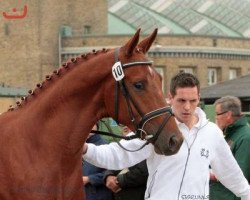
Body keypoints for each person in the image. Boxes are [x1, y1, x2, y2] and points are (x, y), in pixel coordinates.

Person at [83, 72, 250, 200]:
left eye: (192, 101)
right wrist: (86, 149)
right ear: (170, 98)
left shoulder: (212, 132)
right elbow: (118, 154)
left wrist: (246, 195)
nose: (187, 107)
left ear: (199, 98)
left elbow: (230, 172)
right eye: (181, 100)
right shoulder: (155, 129)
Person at [210, 96, 250, 200]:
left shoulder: (245, 138)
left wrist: (209, 175)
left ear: (228, 115)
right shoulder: (229, 134)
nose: (216, 118)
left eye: (217, 114)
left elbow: (239, 175)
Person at [103, 126, 148, 200]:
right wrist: (109, 176)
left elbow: (143, 171)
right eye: (121, 124)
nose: (125, 126)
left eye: (128, 123)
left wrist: (118, 181)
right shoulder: (119, 146)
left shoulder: (144, 143)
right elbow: (112, 164)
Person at [82, 123, 112, 200]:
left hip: (99, 195)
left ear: (97, 126)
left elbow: (112, 173)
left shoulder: (106, 146)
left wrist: (89, 179)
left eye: (92, 123)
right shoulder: (76, 148)